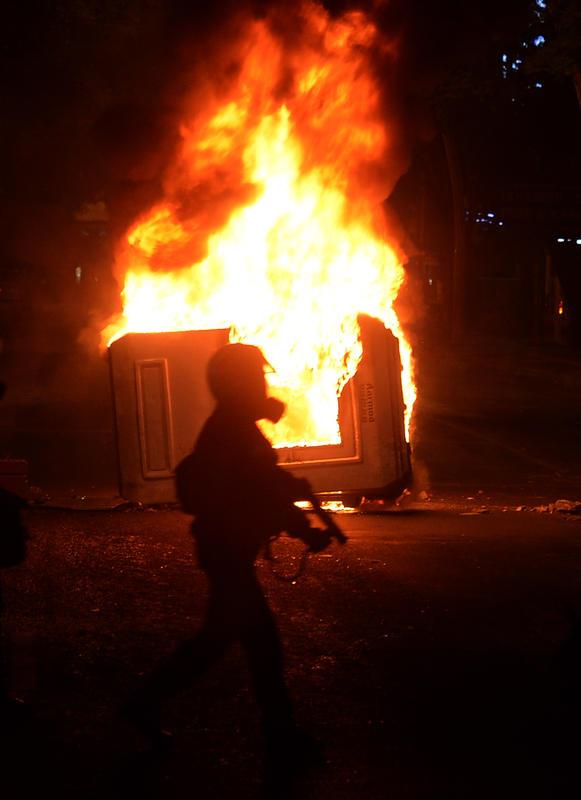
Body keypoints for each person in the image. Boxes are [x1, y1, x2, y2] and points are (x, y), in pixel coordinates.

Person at [125, 343, 336, 777]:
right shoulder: (232, 430)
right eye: (256, 378)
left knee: (231, 644)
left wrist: (299, 515)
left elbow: (269, 486)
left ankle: (146, 704)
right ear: (236, 382)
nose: (263, 384)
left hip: (228, 552)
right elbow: (265, 492)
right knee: (250, 646)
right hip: (227, 554)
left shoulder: (237, 426)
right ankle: (279, 738)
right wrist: (304, 530)